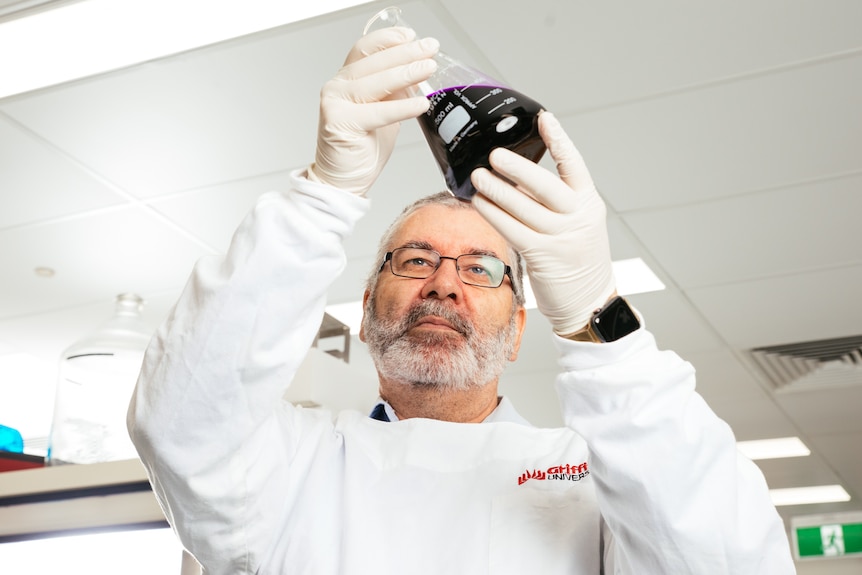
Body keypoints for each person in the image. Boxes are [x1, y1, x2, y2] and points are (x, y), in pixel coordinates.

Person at [127, 25, 796, 575]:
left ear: (516, 331)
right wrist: (321, 197)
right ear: (365, 310)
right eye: (416, 259)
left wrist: (602, 320)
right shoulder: (295, 461)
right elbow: (182, 423)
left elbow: (728, 559)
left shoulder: (594, 475)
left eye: (480, 267)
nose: (443, 283)